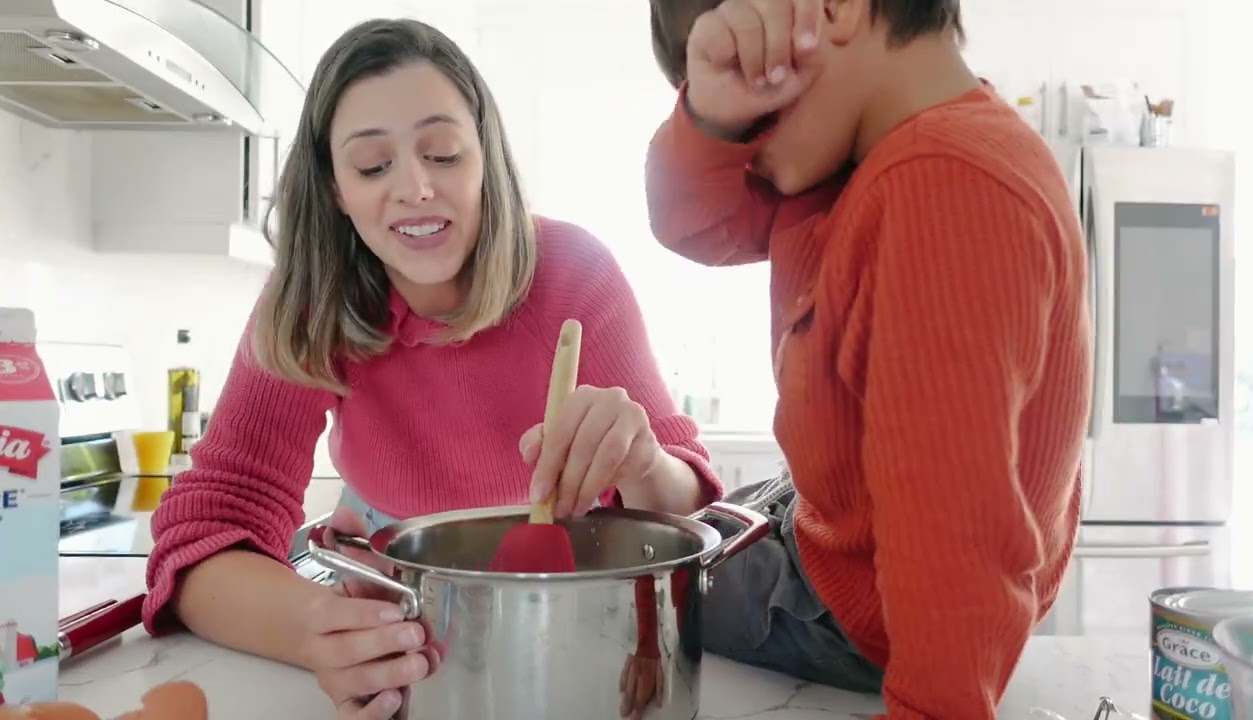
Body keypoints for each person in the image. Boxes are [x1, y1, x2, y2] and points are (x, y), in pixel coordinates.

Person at [143, 17, 721, 720]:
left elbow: (690, 509)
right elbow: (205, 535)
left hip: (585, 646)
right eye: (372, 166)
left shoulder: (576, 275)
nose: (416, 189)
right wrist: (319, 632)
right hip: (399, 644)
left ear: (486, 156)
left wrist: (642, 461)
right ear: (333, 189)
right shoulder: (308, 306)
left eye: (443, 154)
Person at [644, 0, 1093, 718]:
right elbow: (694, 222)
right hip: (829, 522)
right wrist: (712, 122)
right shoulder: (867, 152)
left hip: (849, 604)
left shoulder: (944, 190)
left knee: (640, 581)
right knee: (691, 522)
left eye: (751, 103)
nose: (744, 153)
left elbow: (955, 545)